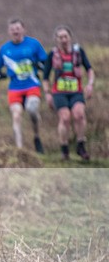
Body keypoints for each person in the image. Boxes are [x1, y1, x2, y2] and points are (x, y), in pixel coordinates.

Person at [0, 18, 48, 153]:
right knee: (16, 115)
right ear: (9, 32)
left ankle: (36, 137)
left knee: (32, 110)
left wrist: (39, 66)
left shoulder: (33, 44)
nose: (15, 31)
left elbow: (46, 62)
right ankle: (20, 149)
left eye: (17, 28)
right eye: (12, 29)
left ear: (23, 29)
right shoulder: (5, 49)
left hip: (32, 85)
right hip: (15, 88)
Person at [42, 25, 96, 161]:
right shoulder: (52, 55)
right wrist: (47, 94)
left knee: (79, 115)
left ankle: (80, 146)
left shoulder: (78, 52)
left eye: (65, 37)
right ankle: (64, 149)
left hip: (76, 91)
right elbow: (45, 77)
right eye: (60, 37)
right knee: (65, 118)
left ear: (70, 38)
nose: (63, 40)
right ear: (56, 39)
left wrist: (90, 85)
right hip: (59, 92)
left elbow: (89, 69)